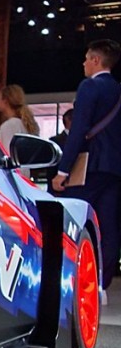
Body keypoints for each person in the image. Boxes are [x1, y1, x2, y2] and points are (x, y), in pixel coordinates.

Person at [52, 39, 121, 289]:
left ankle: (72, 281)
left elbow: (79, 129)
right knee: (109, 226)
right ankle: (101, 284)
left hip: (89, 166)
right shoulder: (117, 90)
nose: (83, 63)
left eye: (86, 59)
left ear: (95, 60)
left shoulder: (90, 86)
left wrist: (63, 170)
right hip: (114, 169)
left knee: (74, 219)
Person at [0, 84, 39, 178]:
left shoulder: (9, 126)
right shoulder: (24, 124)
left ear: (5, 101)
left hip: (12, 177)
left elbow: (8, 156)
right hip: (24, 175)